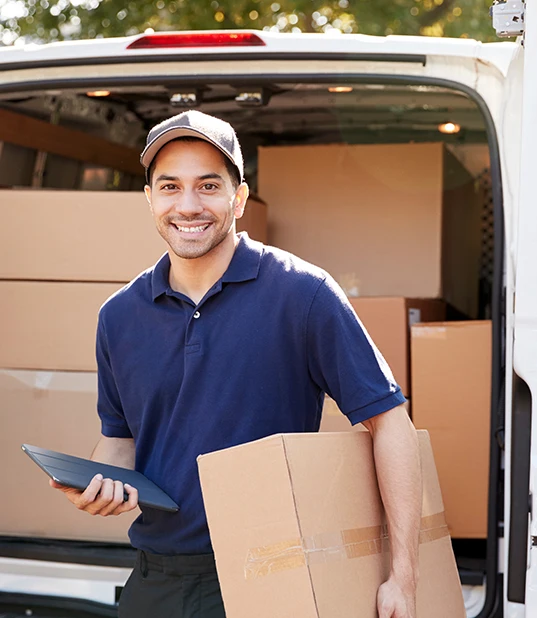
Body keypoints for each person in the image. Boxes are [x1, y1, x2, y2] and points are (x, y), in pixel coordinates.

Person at [50, 110, 422, 618]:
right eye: (169, 186)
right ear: (149, 200)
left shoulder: (303, 294)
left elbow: (390, 422)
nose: (188, 205)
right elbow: (120, 438)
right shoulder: (118, 317)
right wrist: (99, 485)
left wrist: (403, 576)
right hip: (158, 578)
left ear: (239, 198)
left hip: (273, 574)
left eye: (208, 185)